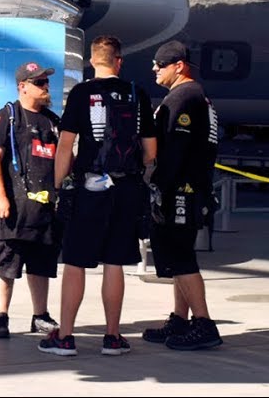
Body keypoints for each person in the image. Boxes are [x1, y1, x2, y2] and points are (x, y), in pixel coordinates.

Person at [43, 35, 156, 357]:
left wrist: (58, 185)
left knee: (75, 262)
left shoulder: (81, 93)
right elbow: (150, 151)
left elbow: (65, 146)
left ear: (92, 61)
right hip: (127, 187)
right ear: (119, 61)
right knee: (115, 262)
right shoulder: (137, 93)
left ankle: (66, 337)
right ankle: (113, 337)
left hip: (90, 187)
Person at [141, 41, 224, 350]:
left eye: (160, 64)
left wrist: (158, 184)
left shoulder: (184, 97)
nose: (154, 69)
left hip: (181, 190)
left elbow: (175, 150)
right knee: (179, 257)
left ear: (179, 66)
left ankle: (204, 324)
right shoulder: (198, 96)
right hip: (191, 188)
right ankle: (180, 319)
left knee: (181, 257)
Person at [0, 61, 62, 340]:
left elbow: (65, 158)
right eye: (39, 82)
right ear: (23, 87)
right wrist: (0, 197)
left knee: (42, 264)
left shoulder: (53, 121)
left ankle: (40, 315)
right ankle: (1, 315)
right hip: (15, 207)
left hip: (46, 207)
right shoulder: (6, 116)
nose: (45, 87)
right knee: (7, 263)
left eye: (46, 82)